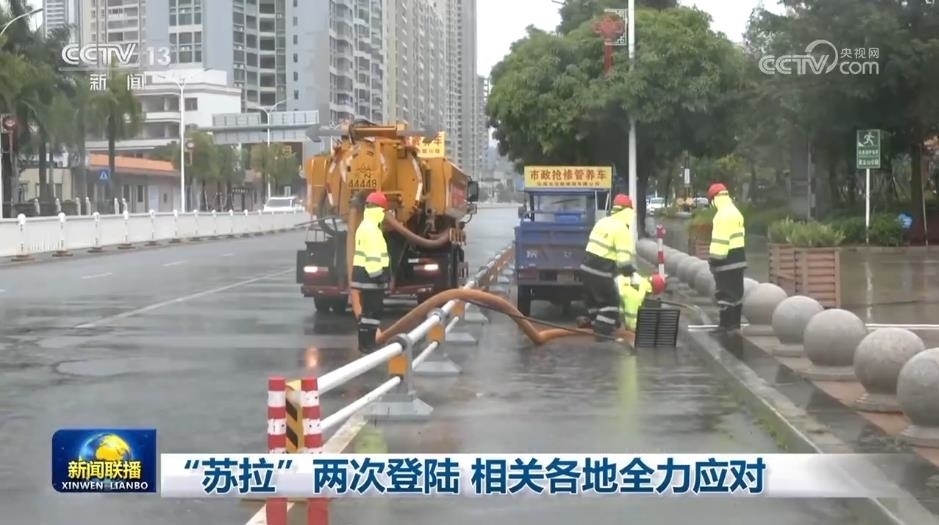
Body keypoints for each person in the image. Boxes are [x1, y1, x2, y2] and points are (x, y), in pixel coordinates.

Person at [580, 193, 636, 339]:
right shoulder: (622, 229)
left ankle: (595, 324)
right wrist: (633, 276)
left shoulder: (602, 222)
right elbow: (624, 263)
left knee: (595, 302)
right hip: (601, 271)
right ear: (628, 212)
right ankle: (602, 332)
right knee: (611, 303)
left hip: (585, 269)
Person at [351, 191, 391, 352]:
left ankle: (365, 344)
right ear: (380, 210)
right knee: (372, 314)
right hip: (371, 279)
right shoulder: (372, 230)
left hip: (363, 277)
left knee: (368, 314)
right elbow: (373, 256)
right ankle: (367, 345)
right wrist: (379, 276)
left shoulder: (366, 226)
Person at [707, 183, 746, 331]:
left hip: (725, 261)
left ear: (714, 199)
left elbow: (720, 241)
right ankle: (735, 323)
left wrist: (713, 260)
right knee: (736, 293)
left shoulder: (721, 215)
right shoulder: (736, 212)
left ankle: (725, 324)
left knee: (724, 293)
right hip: (739, 258)